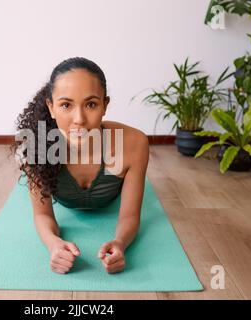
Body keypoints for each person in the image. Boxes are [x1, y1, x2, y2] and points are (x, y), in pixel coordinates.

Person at [10, 57, 149, 275]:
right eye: (66, 105)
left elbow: (130, 216)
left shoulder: (134, 144)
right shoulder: (36, 146)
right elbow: (42, 215)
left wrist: (121, 243)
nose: (79, 119)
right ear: (51, 107)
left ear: (105, 105)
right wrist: (53, 244)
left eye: (91, 104)